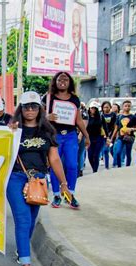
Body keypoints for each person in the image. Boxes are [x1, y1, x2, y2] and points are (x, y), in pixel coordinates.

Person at [7, 91, 70, 266]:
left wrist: (63, 183)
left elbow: (54, 158)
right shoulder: (12, 130)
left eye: (34, 106)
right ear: (21, 109)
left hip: (40, 180)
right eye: (26, 106)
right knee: (23, 219)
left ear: (39, 109)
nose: (30, 110)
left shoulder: (48, 131)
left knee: (32, 219)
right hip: (16, 178)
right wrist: (8, 132)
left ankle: (22, 247)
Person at [44, 72, 89, 209]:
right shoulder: (48, 97)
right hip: (54, 135)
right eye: (59, 79)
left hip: (70, 135)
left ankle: (70, 194)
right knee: (54, 165)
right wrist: (47, 117)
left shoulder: (74, 99)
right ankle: (57, 194)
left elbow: (78, 119)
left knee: (72, 165)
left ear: (70, 82)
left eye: (65, 79)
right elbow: (39, 116)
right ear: (55, 81)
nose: (62, 81)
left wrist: (86, 136)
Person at [111, 100, 136, 167]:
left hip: (129, 137)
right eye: (126, 106)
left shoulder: (133, 117)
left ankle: (127, 166)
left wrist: (131, 129)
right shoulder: (119, 117)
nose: (127, 107)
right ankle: (119, 166)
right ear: (122, 107)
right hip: (120, 137)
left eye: (129, 106)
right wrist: (112, 138)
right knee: (118, 152)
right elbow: (116, 128)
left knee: (128, 153)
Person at [86, 101, 108, 173]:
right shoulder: (86, 117)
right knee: (90, 156)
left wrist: (107, 137)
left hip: (99, 138)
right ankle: (93, 168)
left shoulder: (100, 117)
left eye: (95, 108)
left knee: (96, 155)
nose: (93, 110)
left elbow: (105, 127)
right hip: (89, 138)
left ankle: (95, 170)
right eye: (92, 108)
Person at [70, 8, 88, 74]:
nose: (74, 31)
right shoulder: (71, 55)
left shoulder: (86, 50)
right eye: (72, 27)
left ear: (81, 27)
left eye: (77, 26)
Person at [101, 101, 116, 169]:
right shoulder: (101, 115)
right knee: (105, 150)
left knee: (112, 150)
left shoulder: (113, 115)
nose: (106, 109)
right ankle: (106, 166)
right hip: (104, 135)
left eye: (107, 107)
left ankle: (115, 161)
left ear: (110, 107)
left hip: (112, 134)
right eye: (104, 107)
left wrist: (112, 135)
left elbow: (115, 126)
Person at [77, 102, 89, 177]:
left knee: (80, 153)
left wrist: (80, 136)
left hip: (80, 135)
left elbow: (84, 125)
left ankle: (79, 170)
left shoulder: (83, 113)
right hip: (70, 134)